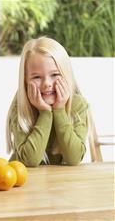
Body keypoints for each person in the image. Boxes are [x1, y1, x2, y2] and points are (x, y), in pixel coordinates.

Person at [6, 37, 91, 167]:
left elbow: (74, 158)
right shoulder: (21, 104)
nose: (47, 84)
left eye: (55, 75)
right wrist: (45, 113)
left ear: (66, 75)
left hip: (59, 183)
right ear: (25, 81)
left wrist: (59, 110)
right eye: (36, 77)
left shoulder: (77, 105)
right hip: (24, 182)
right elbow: (29, 160)